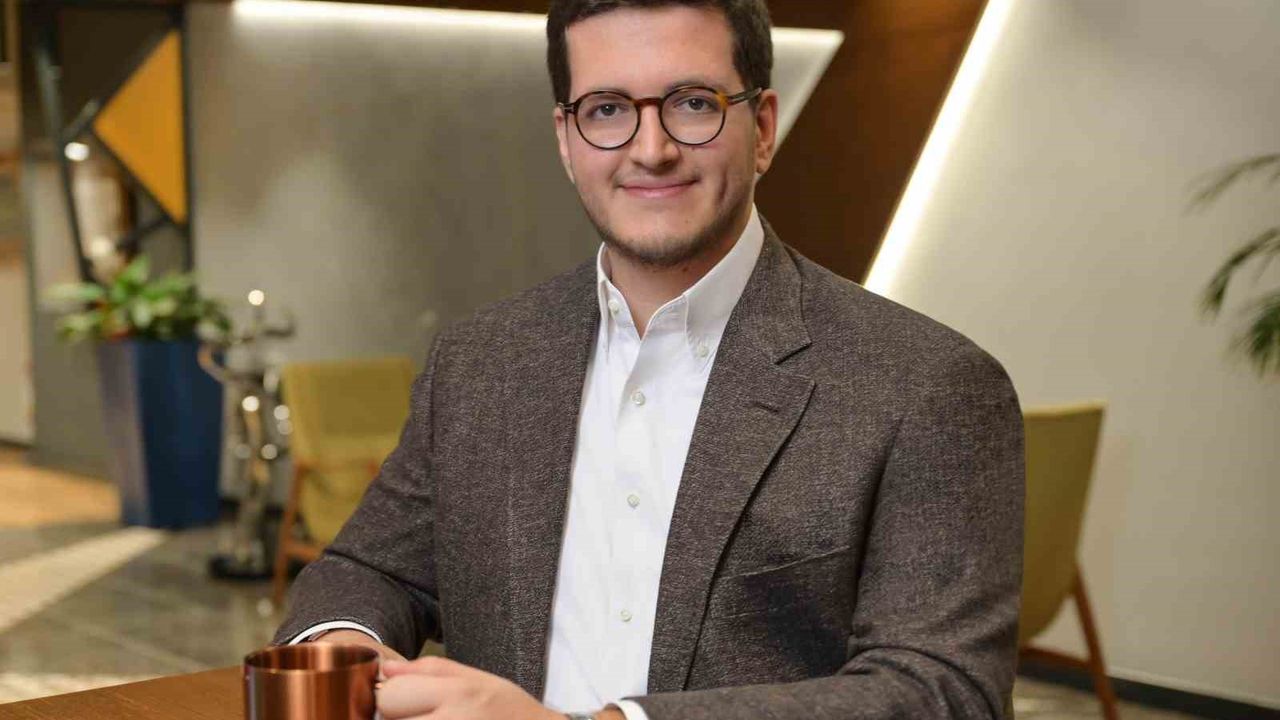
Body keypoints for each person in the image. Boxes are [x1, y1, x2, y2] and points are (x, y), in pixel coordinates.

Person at [273, 1, 1025, 718]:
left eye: (693, 103)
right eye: (607, 110)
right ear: (566, 140)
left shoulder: (926, 386)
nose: (651, 148)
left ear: (763, 127)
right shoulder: (482, 360)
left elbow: (943, 693)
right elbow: (370, 569)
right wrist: (344, 650)